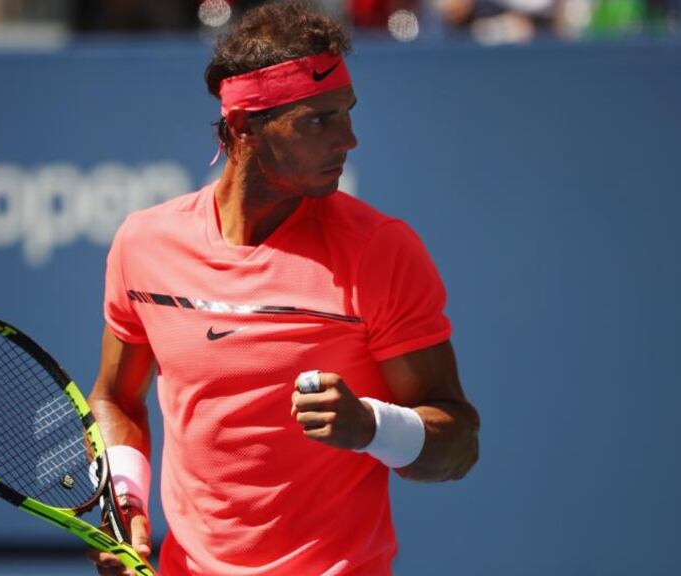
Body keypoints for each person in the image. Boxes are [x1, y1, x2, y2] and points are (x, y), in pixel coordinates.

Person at [87, 2, 480, 574]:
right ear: (244, 126)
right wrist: (122, 502)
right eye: (318, 120)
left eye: (347, 112)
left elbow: (459, 444)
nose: (348, 139)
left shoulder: (382, 250)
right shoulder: (143, 244)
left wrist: (373, 427)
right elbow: (117, 401)